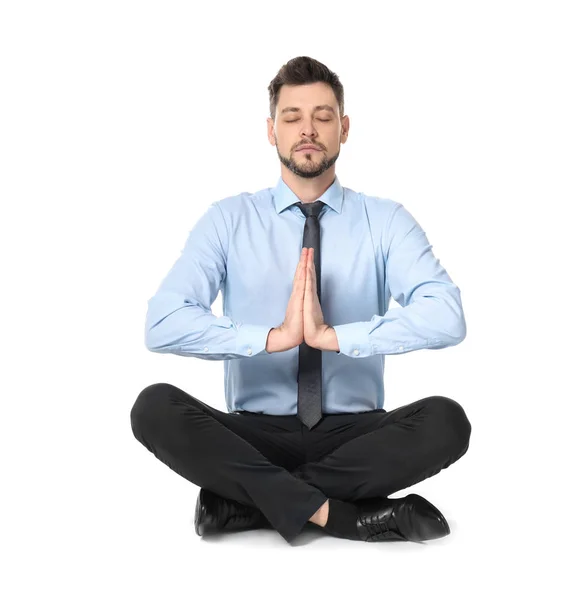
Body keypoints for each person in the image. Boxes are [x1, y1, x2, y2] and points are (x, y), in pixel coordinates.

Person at [130, 56, 472, 545]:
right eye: (292, 117)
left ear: (344, 128)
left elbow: (447, 316)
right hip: (254, 436)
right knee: (152, 407)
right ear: (271, 131)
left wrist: (336, 338)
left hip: (356, 436)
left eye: (323, 116)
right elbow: (162, 323)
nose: (307, 129)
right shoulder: (229, 219)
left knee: (446, 421)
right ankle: (349, 518)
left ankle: (247, 504)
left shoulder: (386, 220)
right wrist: (272, 339)